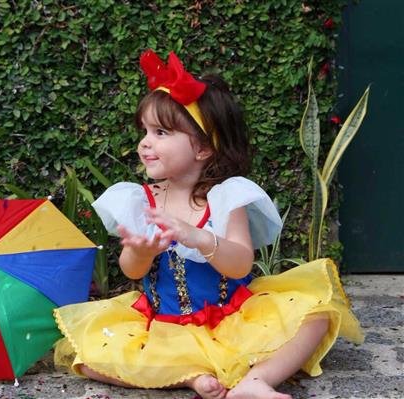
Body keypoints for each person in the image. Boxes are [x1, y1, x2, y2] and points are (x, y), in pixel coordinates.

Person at [53, 50, 364, 399]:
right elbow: (132, 271)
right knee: (87, 358)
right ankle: (189, 377)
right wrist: (140, 252)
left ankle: (256, 381)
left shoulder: (226, 198)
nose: (145, 143)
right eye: (144, 131)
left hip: (232, 319)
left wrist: (200, 238)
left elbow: (241, 264)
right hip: (165, 326)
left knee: (316, 316)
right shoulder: (140, 200)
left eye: (160, 132)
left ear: (202, 148)